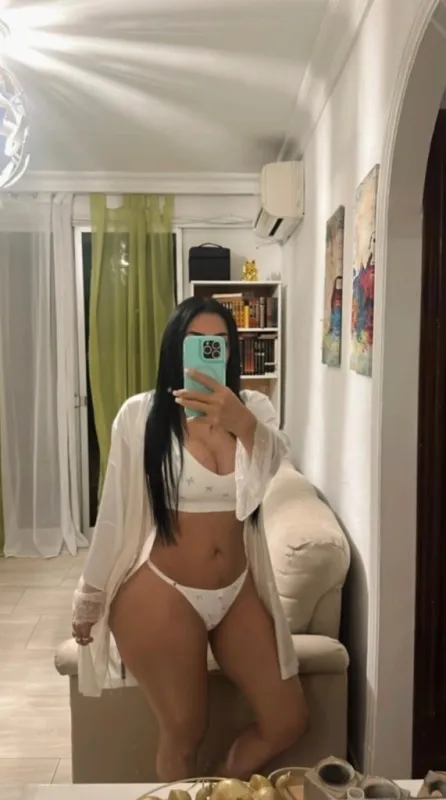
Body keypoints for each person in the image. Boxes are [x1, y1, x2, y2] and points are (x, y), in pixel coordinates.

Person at [72, 296, 308, 781]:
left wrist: (240, 423)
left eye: (218, 342)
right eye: (195, 341)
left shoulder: (254, 409)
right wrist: (89, 597)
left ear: (231, 352)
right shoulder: (141, 415)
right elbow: (113, 513)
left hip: (237, 590)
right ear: (175, 350)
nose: (208, 350)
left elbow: (270, 469)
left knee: (288, 719)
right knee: (184, 733)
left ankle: (221, 783)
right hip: (162, 590)